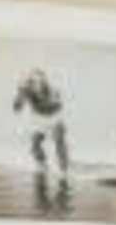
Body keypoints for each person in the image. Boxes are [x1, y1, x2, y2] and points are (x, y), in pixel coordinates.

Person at [10, 66, 71, 204]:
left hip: (54, 118)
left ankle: (64, 169)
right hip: (39, 120)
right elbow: (16, 108)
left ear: (44, 81)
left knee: (59, 141)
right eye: (34, 81)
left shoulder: (53, 89)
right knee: (35, 144)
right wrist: (20, 95)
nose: (37, 83)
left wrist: (47, 100)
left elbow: (57, 105)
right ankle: (42, 164)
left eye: (40, 80)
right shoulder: (27, 90)